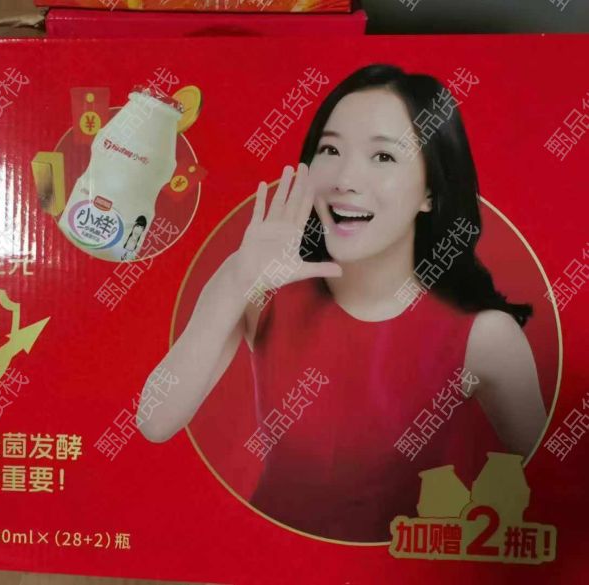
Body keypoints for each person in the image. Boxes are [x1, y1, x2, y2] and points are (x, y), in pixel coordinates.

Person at [136, 64, 547, 541]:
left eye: (383, 156)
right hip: (268, 555)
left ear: (431, 191)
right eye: (330, 150)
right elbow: (154, 421)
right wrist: (236, 278)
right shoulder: (260, 287)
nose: (345, 179)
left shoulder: (485, 335)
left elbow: (557, 479)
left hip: (402, 565)